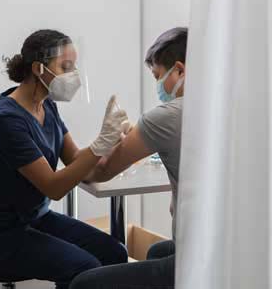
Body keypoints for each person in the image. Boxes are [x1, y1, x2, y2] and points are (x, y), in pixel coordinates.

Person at [0, 29, 129, 289]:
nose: (74, 76)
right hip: (0, 233)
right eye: (66, 66)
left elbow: (78, 163)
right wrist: (100, 143)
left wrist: (113, 142)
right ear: (38, 68)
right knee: (86, 268)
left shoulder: (47, 105)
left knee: (114, 253)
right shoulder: (7, 120)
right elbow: (54, 187)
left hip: (37, 219)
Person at [70, 27, 188, 289]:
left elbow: (99, 172)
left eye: (159, 76)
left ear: (179, 70)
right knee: (157, 251)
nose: (159, 85)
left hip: (197, 255)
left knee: (82, 284)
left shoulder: (165, 117)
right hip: (236, 248)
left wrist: (106, 143)